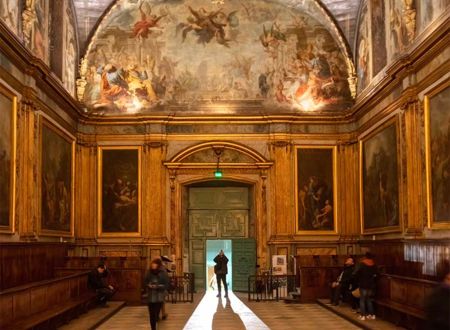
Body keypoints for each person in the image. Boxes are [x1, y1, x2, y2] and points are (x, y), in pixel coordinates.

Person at [144, 258, 169, 330]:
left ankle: (156, 324)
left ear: (158, 265)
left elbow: (166, 284)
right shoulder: (149, 272)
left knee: (156, 314)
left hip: (159, 296)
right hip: (151, 296)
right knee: (151, 315)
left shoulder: (163, 273)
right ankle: (153, 328)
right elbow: (145, 282)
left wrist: (158, 286)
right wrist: (148, 285)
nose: (153, 265)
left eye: (155, 264)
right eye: (152, 264)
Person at [353, 252, 378, 321]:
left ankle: (362, 315)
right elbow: (377, 274)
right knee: (369, 299)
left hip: (363, 284)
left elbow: (355, 273)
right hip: (371, 285)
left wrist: (358, 279)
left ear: (365, 256)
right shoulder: (374, 264)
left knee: (362, 300)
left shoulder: (362, 264)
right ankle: (372, 315)